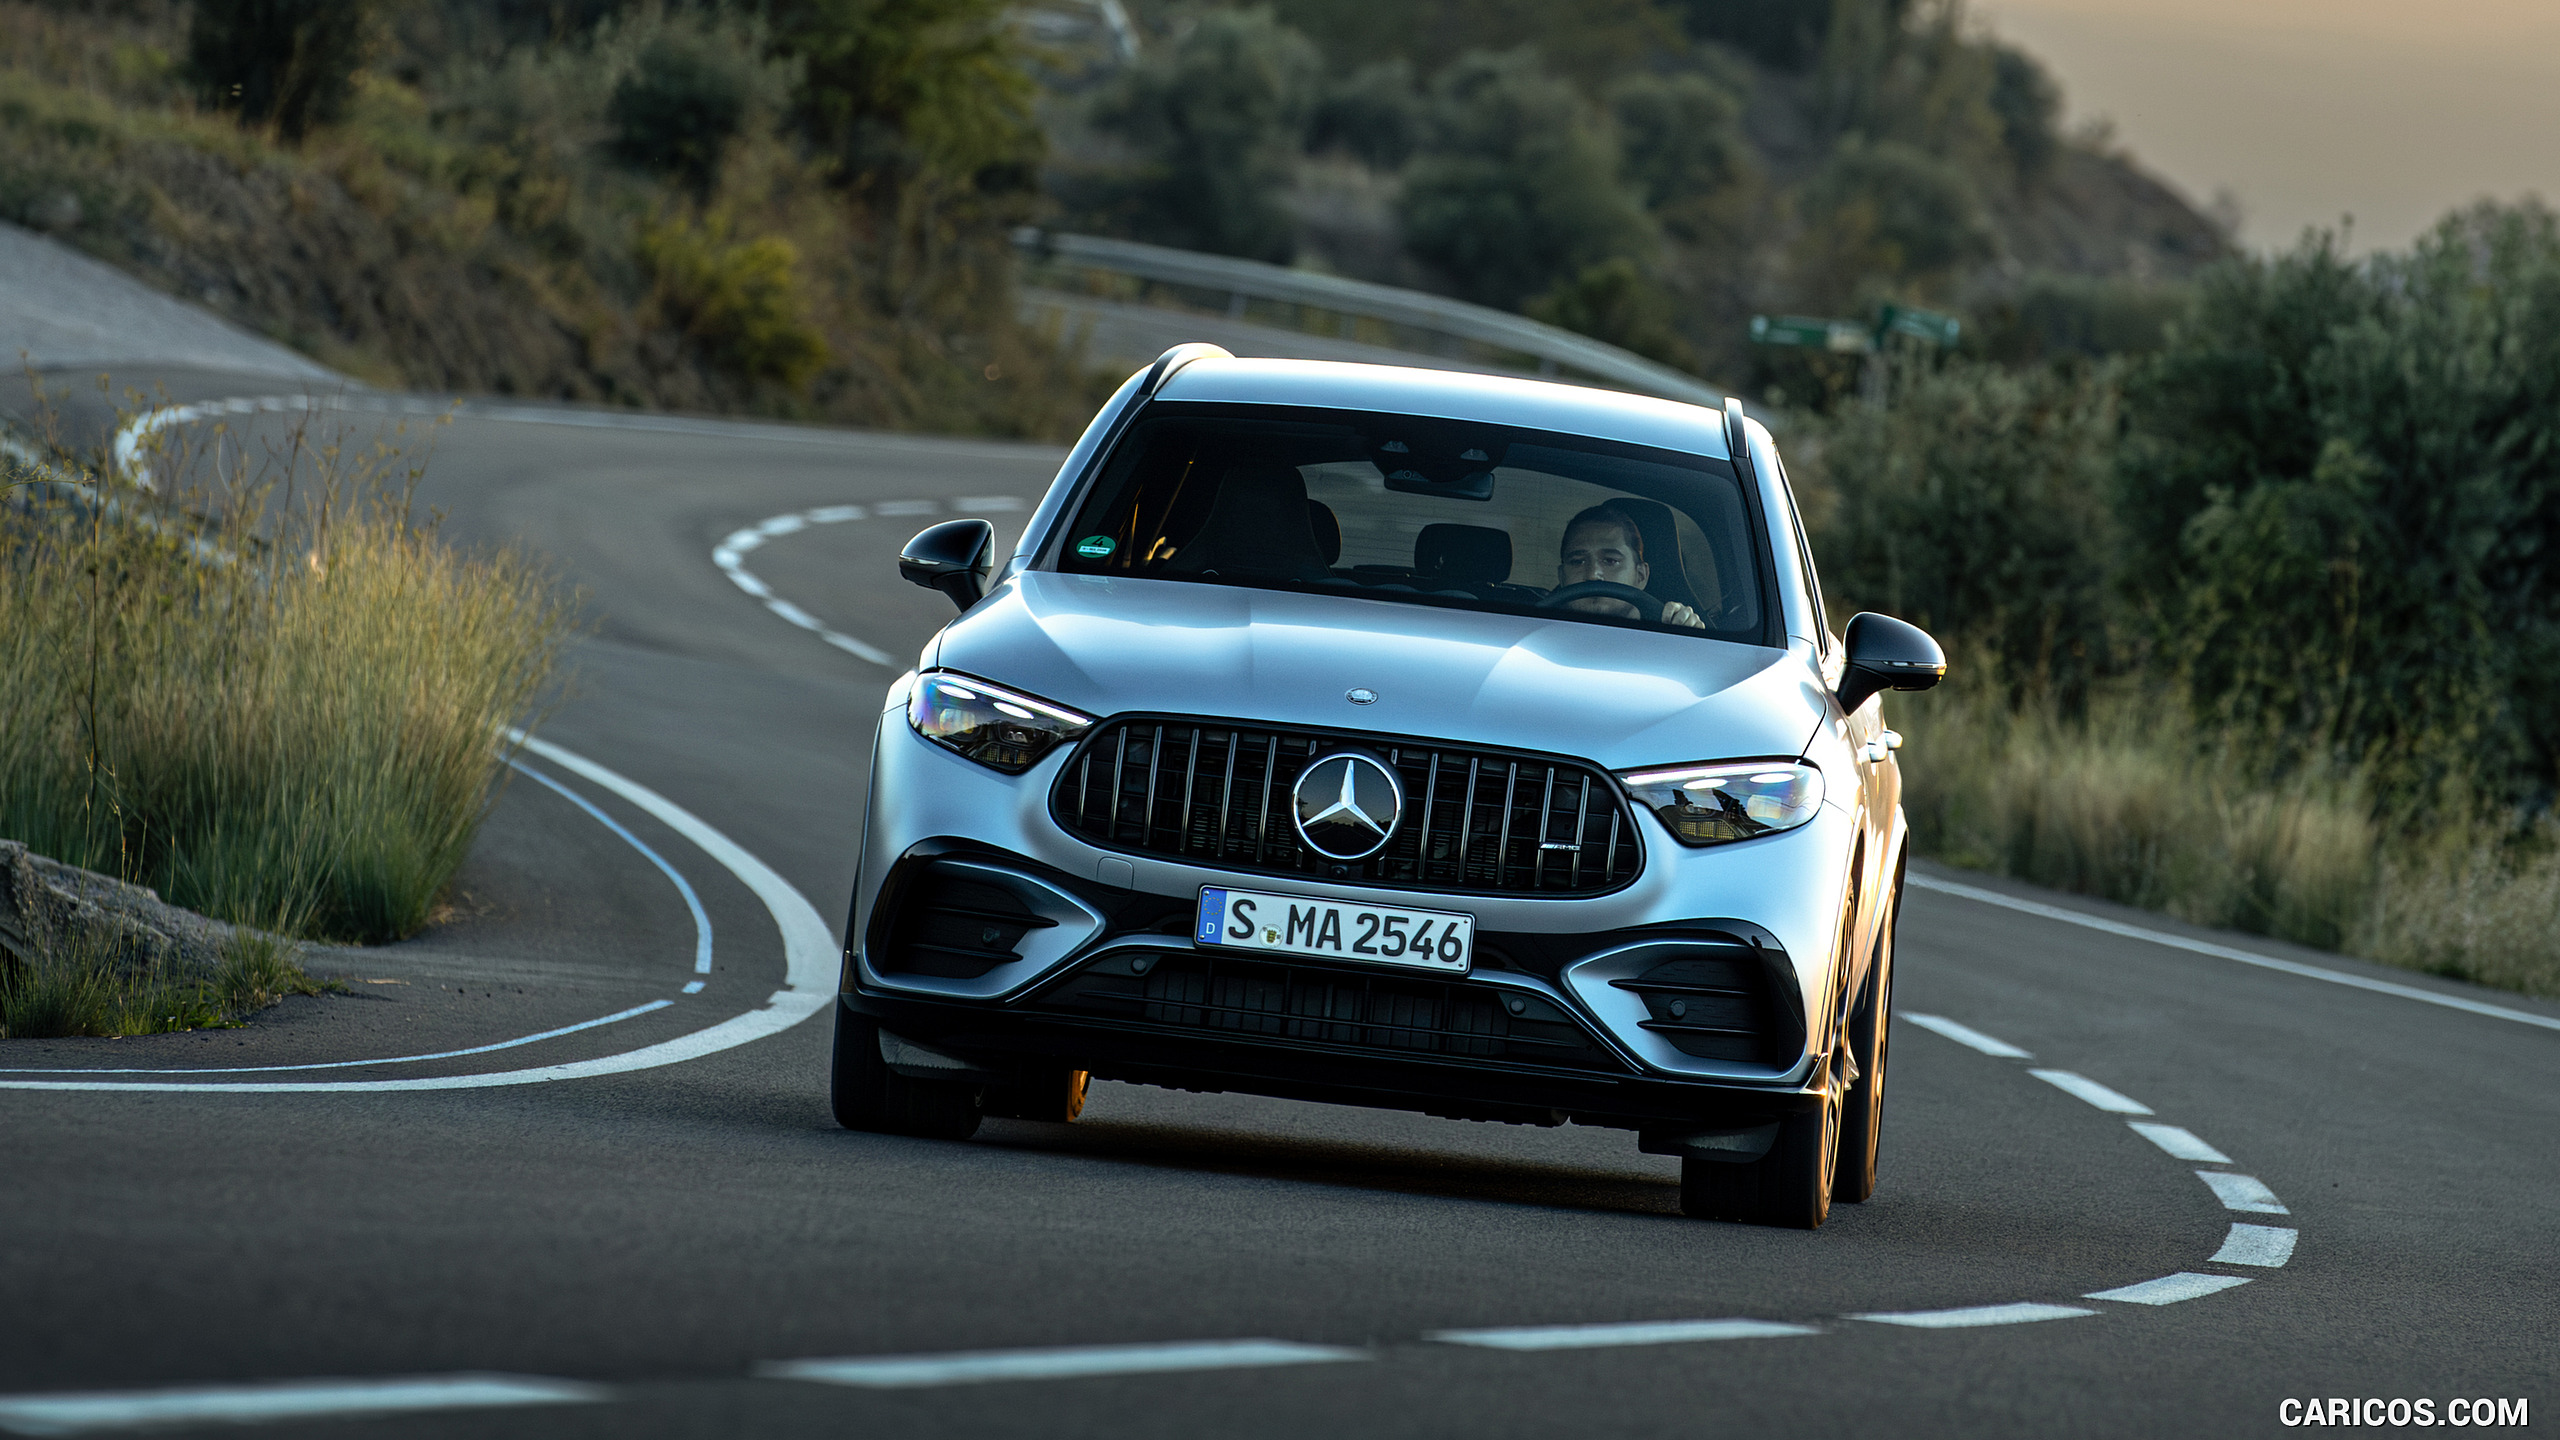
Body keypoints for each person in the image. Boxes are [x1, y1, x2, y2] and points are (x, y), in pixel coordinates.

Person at [1556, 502, 1705, 628]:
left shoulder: (1667, 634)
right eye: (1577, 562)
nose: (1592, 574)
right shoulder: (1538, 631)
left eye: (1610, 561)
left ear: (1641, 576)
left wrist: (1688, 633)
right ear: (1562, 577)